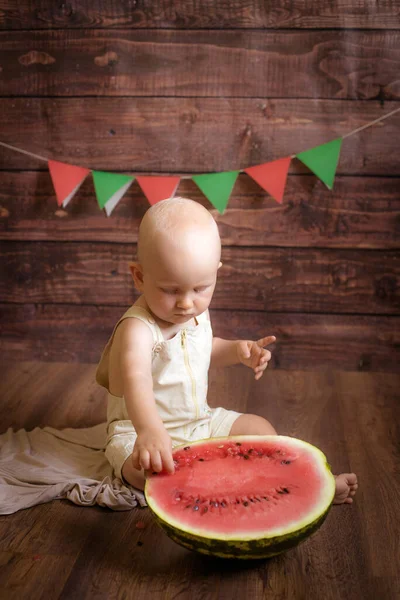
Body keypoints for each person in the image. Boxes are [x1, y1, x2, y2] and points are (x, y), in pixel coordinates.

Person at [96, 197, 358, 504]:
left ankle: (312, 484)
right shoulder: (137, 329)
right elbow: (135, 378)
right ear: (139, 276)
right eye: (170, 290)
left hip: (199, 423)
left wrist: (237, 351)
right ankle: (231, 487)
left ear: (215, 274)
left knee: (260, 428)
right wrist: (150, 431)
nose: (186, 303)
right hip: (138, 432)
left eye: (200, 288)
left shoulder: (194, 314)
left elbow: (202, 351)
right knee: (143, 471)